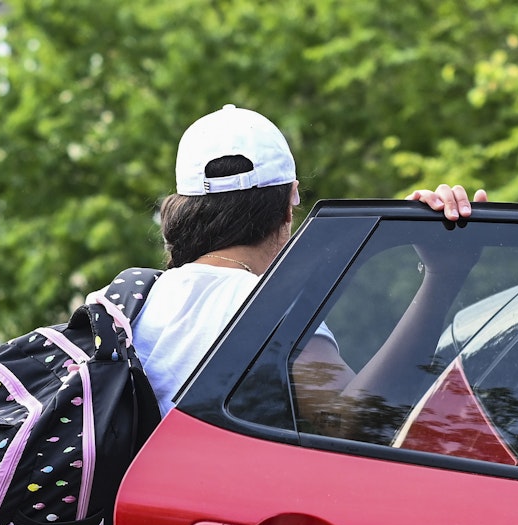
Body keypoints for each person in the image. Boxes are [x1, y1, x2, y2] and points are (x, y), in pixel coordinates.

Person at [130, 104, 484, 421]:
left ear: (183, 209)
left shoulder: (137, 302)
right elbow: (351, 422)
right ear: (289, 203)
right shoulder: (266, 303)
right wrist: (443, 277)